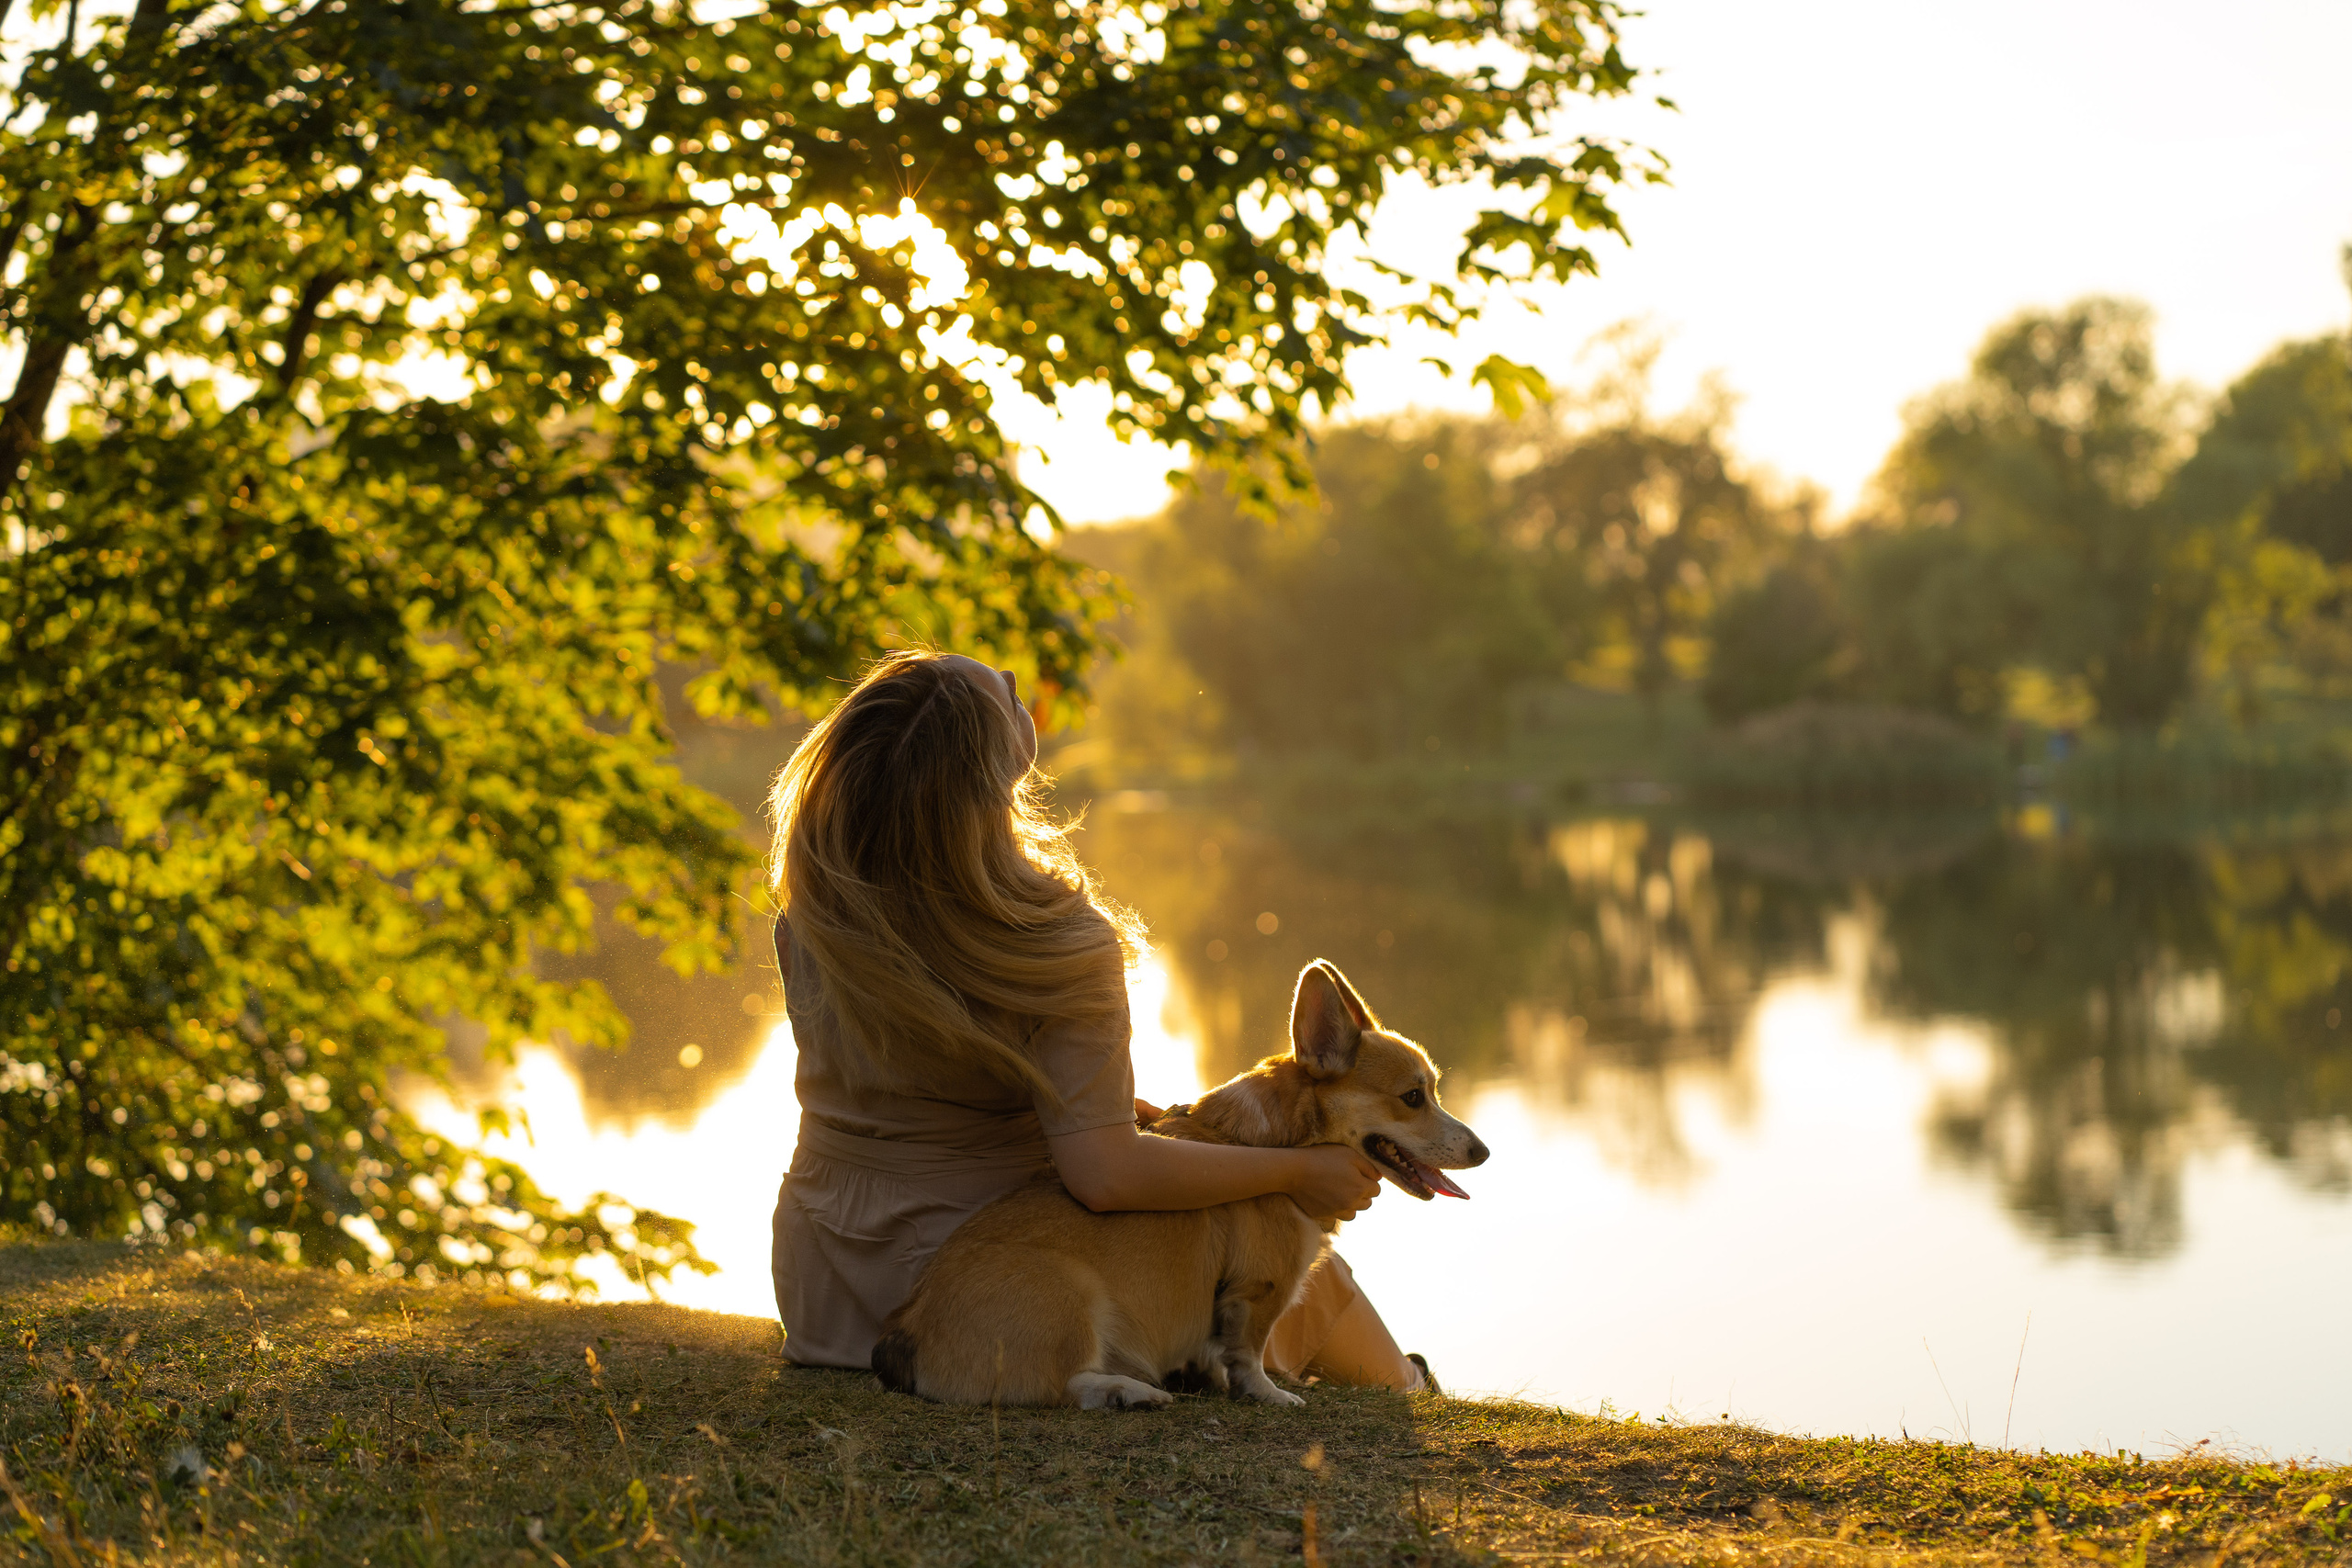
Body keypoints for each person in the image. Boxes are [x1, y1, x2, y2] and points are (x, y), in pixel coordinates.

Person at [766, 649, 1430, 1391]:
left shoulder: (815, 912)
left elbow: (909, 1092)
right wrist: (1299, 1168)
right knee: (1280, 1240)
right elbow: (1105, 1174)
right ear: (996, 770)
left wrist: (1119, 1113)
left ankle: (1399, 1383)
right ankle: (1406, 1390)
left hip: (822, 1280)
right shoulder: (1055, 940)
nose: (1016, 679)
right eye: (1001, 693)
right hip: (985, 1287)